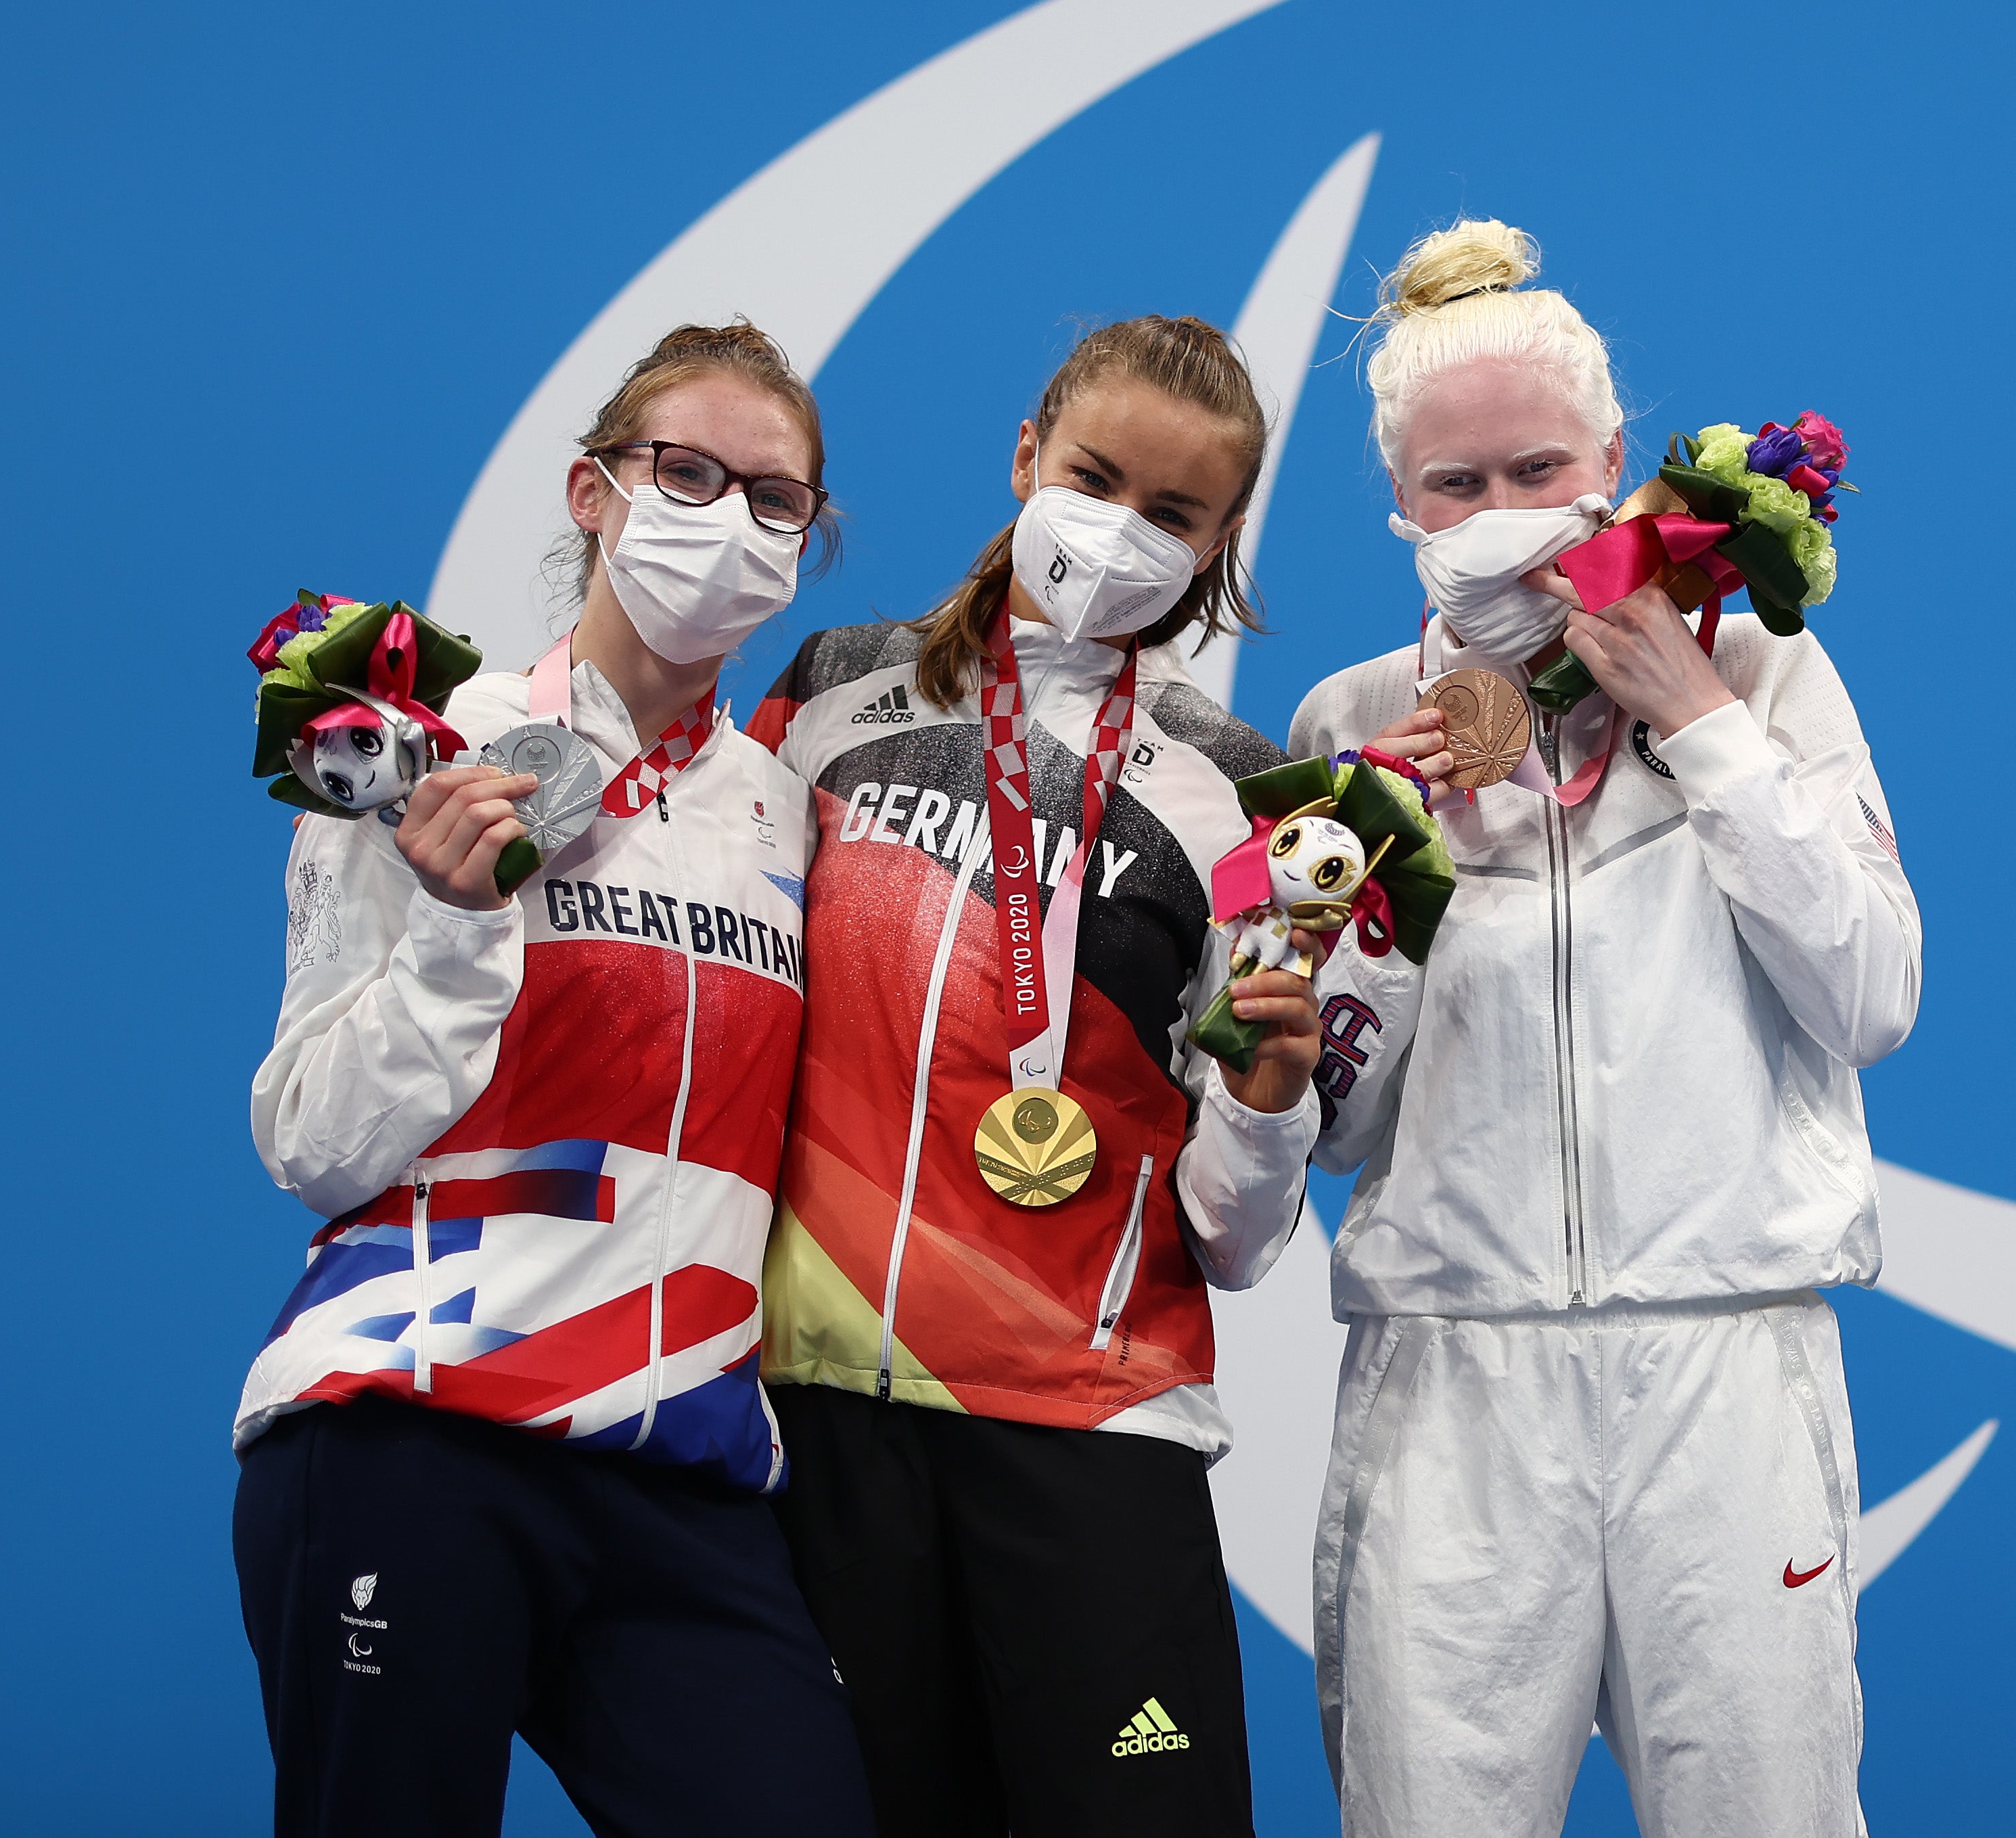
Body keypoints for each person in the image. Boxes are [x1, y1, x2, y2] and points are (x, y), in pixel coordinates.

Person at [1289, 222, 1925, 1838]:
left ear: (1615, 466)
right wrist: (1397, 849)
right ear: (1398, 505)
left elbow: (1871, 996)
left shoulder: (1764, 671)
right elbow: (1331, 1123)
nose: (1497, 518)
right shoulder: (1353, 729)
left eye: (1534, 468)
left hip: (1726, 1352)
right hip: (1452, 1370)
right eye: (1453, 487)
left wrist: (1697, 724)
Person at [232, 322, 875, 1837]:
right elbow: (311, 1138)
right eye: (688, 471)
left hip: (682, 1464)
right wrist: (457, 930)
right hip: (415, 1420)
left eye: (775, 498)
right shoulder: (422, 752)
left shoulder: (790, 816)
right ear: (594, 491)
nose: (730, 518)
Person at [750, 315, 1324, 1837]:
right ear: (1026, 456)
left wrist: (1268, 1100)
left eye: (1174, 512)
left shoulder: (1241, 787)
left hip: (1093, 1418)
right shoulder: (823, 695)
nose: (1121, 530)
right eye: (1095, 475)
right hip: (823, 1404)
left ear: (1217, 544)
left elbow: (1242, 1238)